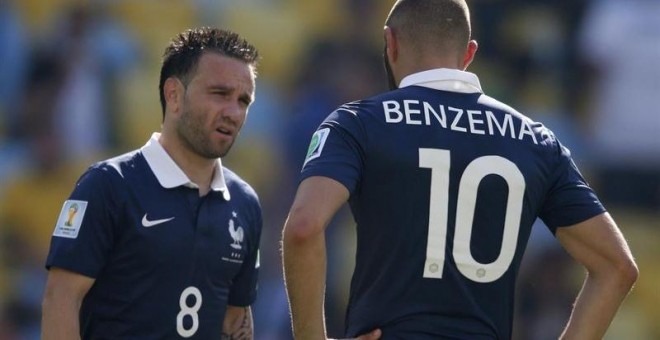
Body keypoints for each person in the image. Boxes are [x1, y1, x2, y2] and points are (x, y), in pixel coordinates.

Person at [281, 1, 638, 339]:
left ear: (390, 42)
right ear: (469, 54)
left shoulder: (357, 122)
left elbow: (303, 227)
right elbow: (617, 267)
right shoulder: (537, 141)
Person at [41, 27, 263, 339]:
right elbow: (60, 299)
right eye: (220, 94)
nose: (233, 112)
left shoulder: (245, 203)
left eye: (243, 101)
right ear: (173, 95)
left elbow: (236, 319)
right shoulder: (108, 185)